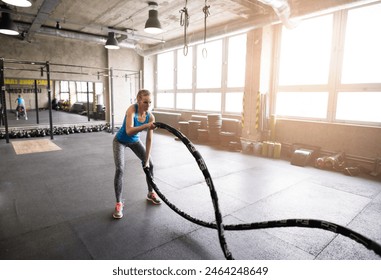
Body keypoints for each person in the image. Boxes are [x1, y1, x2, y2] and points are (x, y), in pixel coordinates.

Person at [112, 89, 161, 219]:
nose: (148, 105)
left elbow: (149, 139)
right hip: (120, 141)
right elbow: (129, 131)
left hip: (135, 142)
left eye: (150, 102)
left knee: (150, 164)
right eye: (145, 102)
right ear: (138, 101)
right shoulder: (131, 110)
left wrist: (146, 160)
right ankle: (119, 202)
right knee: (120, 169)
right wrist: (146, 126)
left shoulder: (150, 116)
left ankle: (150, 193)